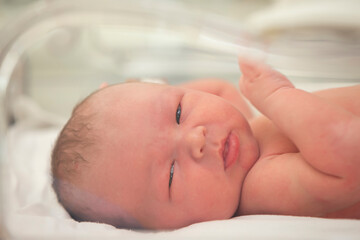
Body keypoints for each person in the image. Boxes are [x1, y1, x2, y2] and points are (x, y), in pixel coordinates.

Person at [51, 58, 360, 230]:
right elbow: (349, 161)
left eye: (178, 112)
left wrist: (136, 98)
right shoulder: (260, 185)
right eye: (171, 174)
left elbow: (220, 89)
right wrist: (276, 95)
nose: (195, 139)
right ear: (165, 228)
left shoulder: (242, 139)